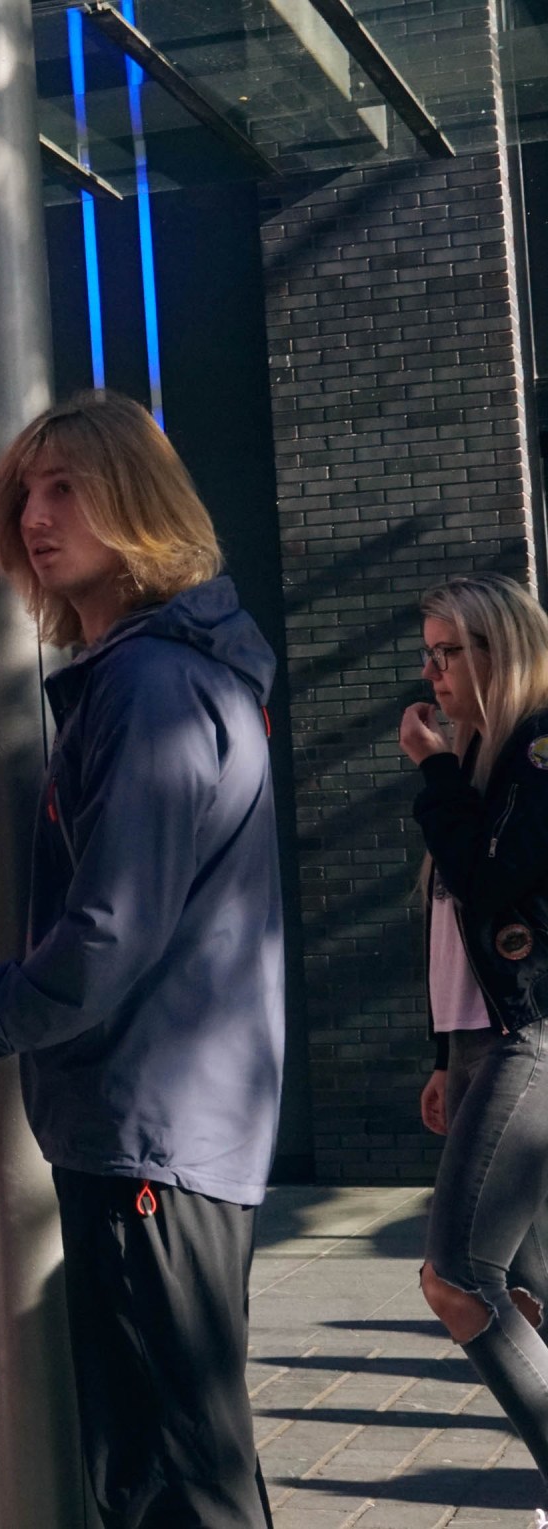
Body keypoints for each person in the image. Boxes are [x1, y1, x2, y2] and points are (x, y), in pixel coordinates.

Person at [0, 389, 284, 1529]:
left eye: (65, 486)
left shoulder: (150, 686)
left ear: (137, 504)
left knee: (171, 1477)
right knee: (171, 1463)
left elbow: (109, 935)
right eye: (24, 491)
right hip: (165, 1121)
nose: (34, 514)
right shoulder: (171, 674)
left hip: (151, 1130)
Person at [400, 574, 548, 1525]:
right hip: (484, 1043)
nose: (433, 672)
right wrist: (444, 1053)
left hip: (529, 1043)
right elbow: (457, 933)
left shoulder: (535, 757)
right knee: (531, 1291)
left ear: (503, 650)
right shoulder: (486, 759)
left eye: (451, 651)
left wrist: (438, 775)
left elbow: (497, 890)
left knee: (458, 1276)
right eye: (429, 653)